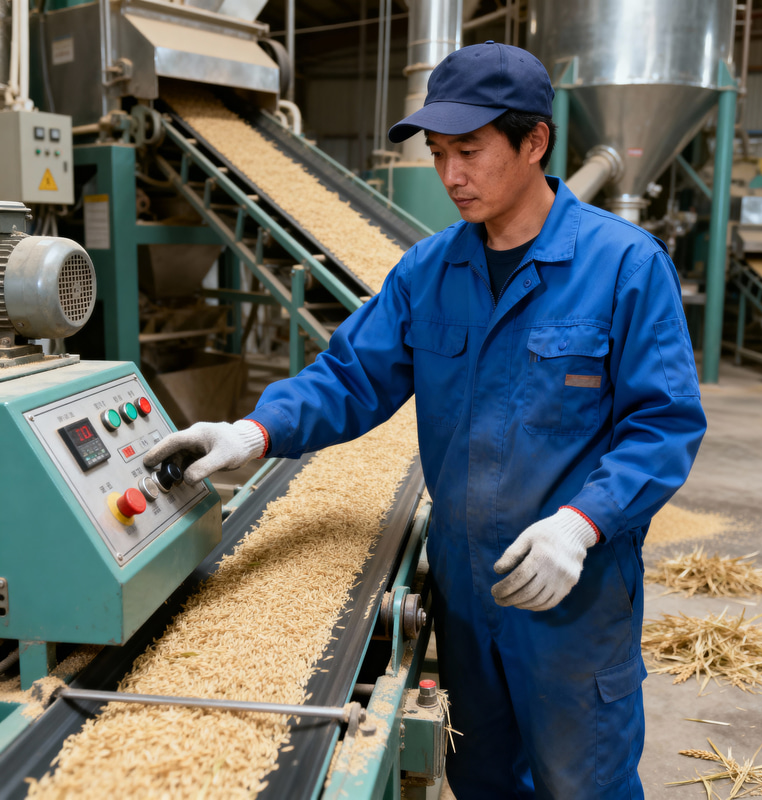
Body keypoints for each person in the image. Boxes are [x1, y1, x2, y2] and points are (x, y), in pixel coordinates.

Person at [144, 41, 706, 799]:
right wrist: (253, 432)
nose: (450, 176)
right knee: (480, 777)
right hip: (465, 595)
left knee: (584, 783)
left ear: (534, 142)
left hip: (574, 595)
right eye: (439, 154)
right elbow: (350, 377)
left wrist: (582, 524)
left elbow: (664, 425)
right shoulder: (428, 271)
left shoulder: (624, 266)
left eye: (469, 152)